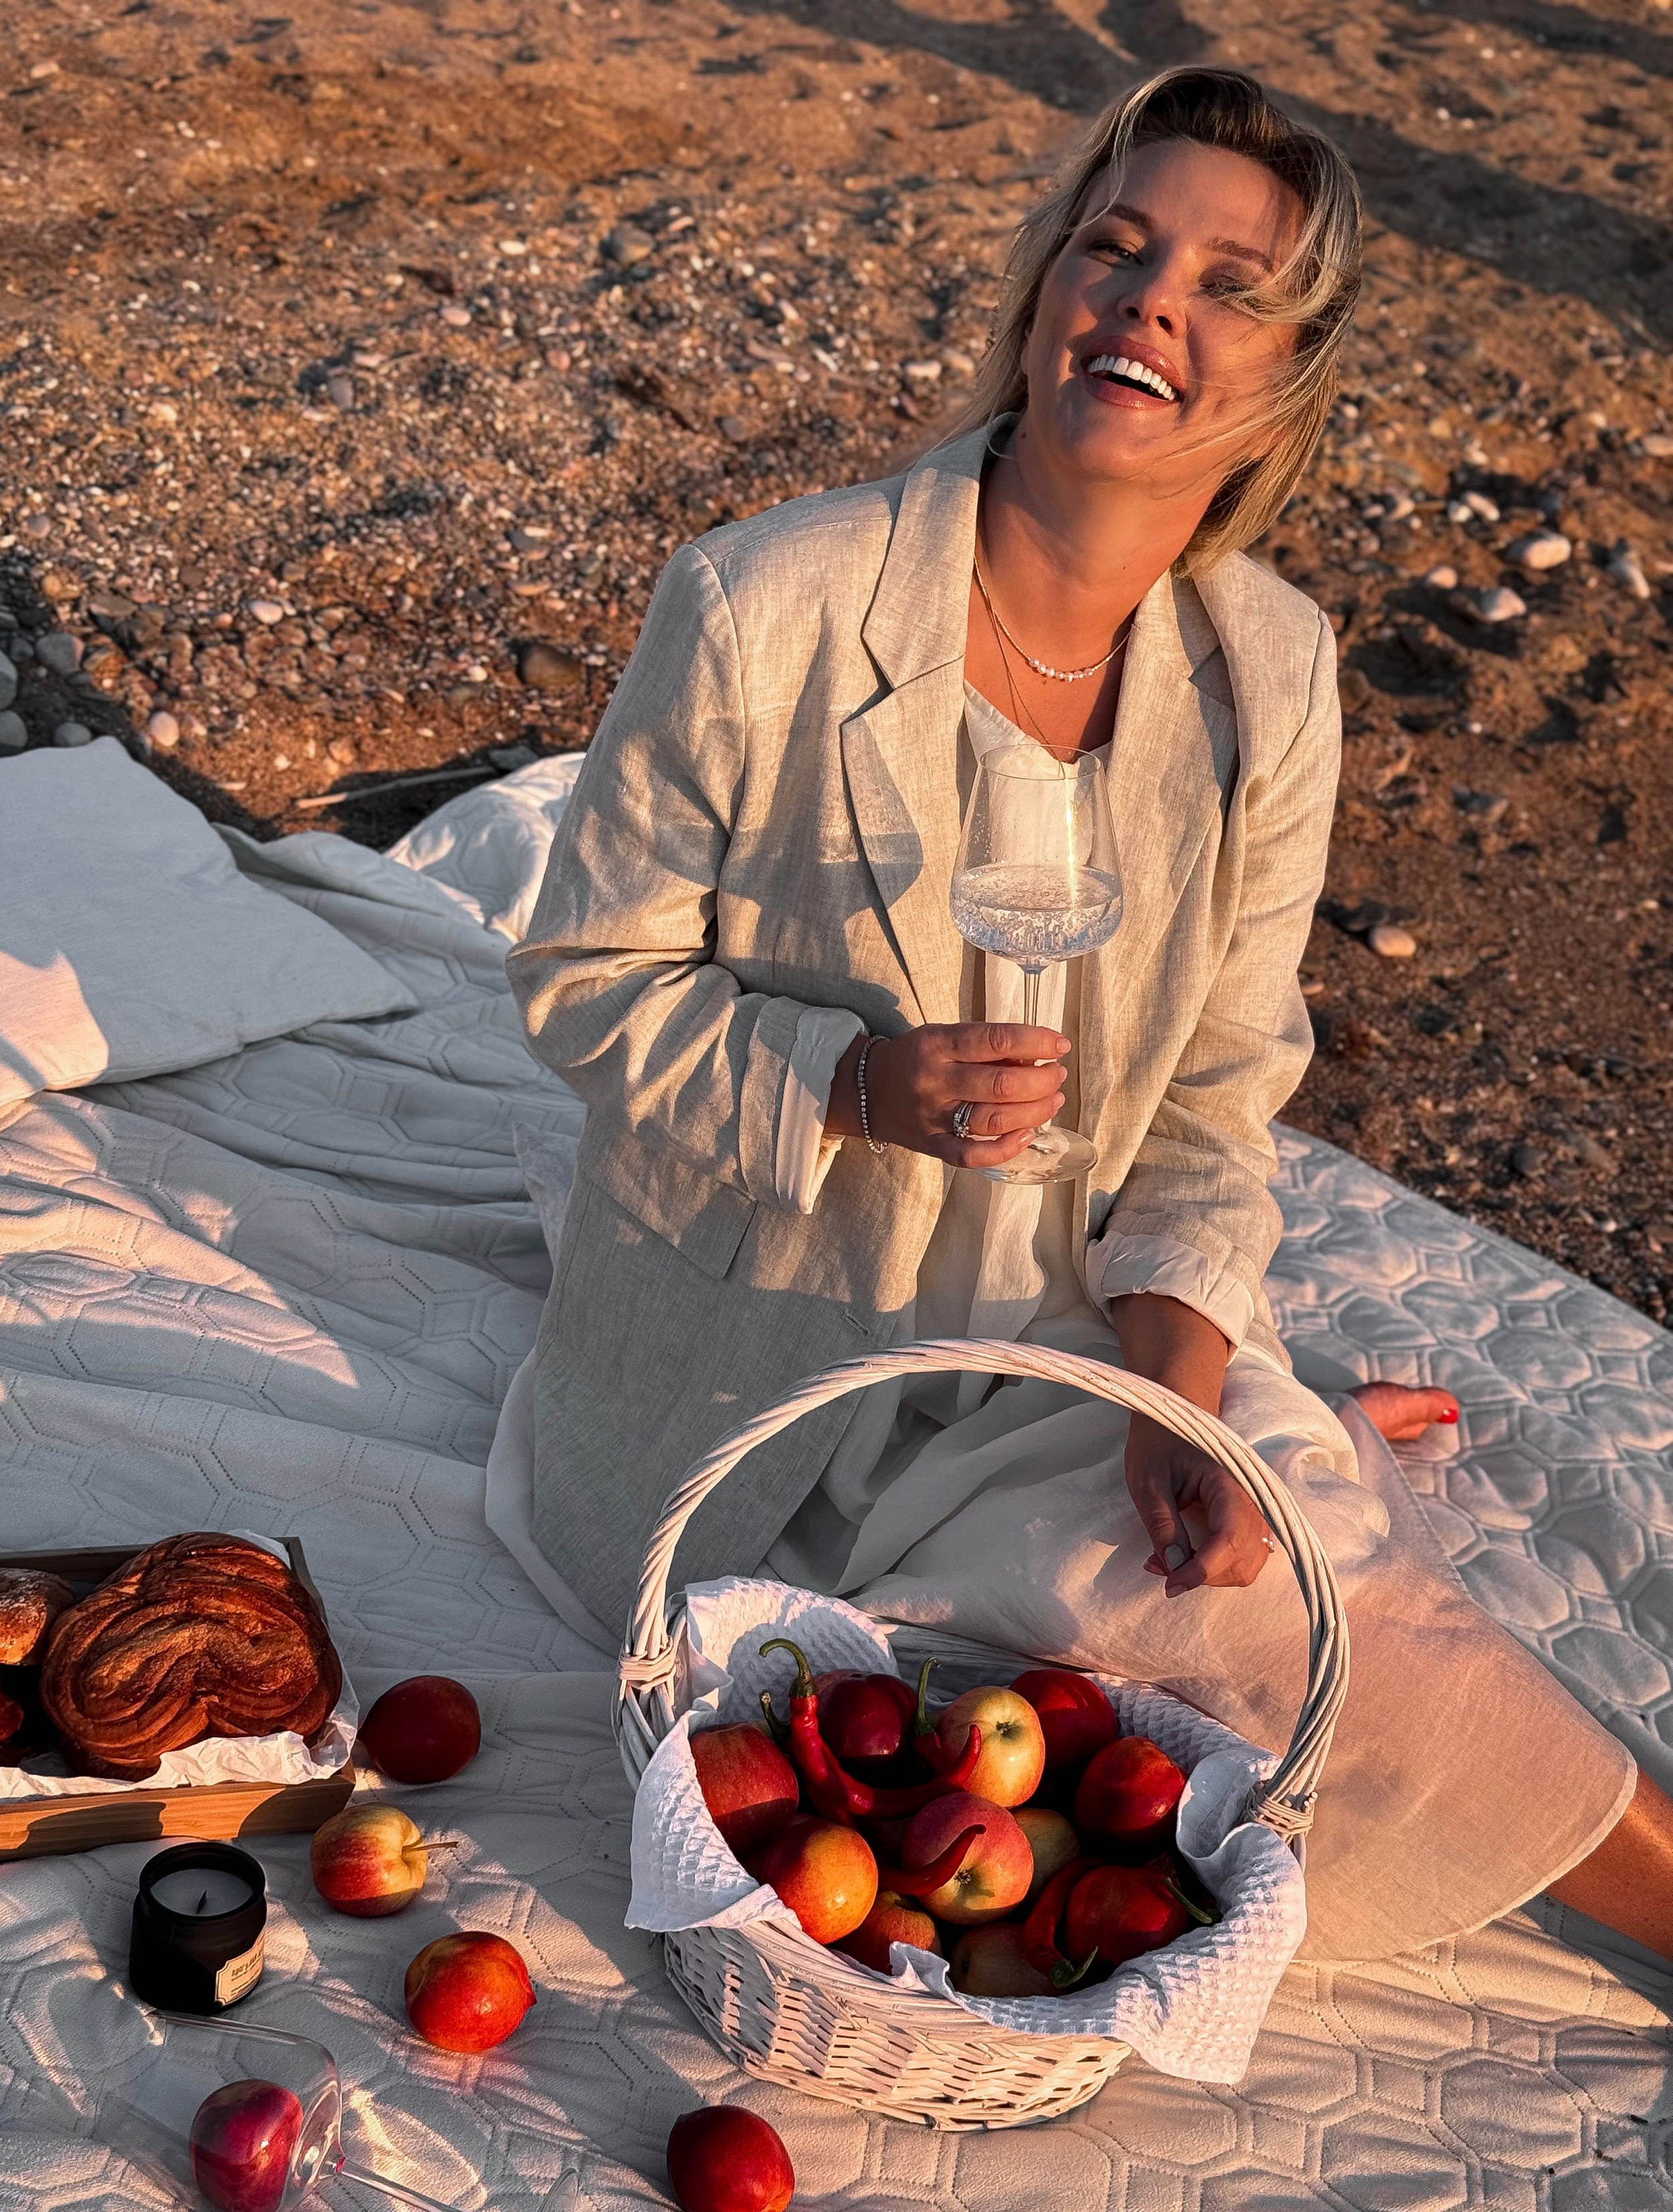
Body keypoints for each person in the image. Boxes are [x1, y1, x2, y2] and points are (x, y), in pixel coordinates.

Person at [506, 68, 1672, 1962]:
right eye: (1117, 247)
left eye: (1228, 283)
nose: (1151, 301)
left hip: (1083, 1329)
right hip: (804, 1392)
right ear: (1047, 294)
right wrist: (850, 1081)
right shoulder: (762, 608)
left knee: (1298, 1565)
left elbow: (1217, 1096)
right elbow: (582, 980)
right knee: (1270, 1631)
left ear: (1285, 378)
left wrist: (1180, 1396)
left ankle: (1304, 1461)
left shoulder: (1268, 675)